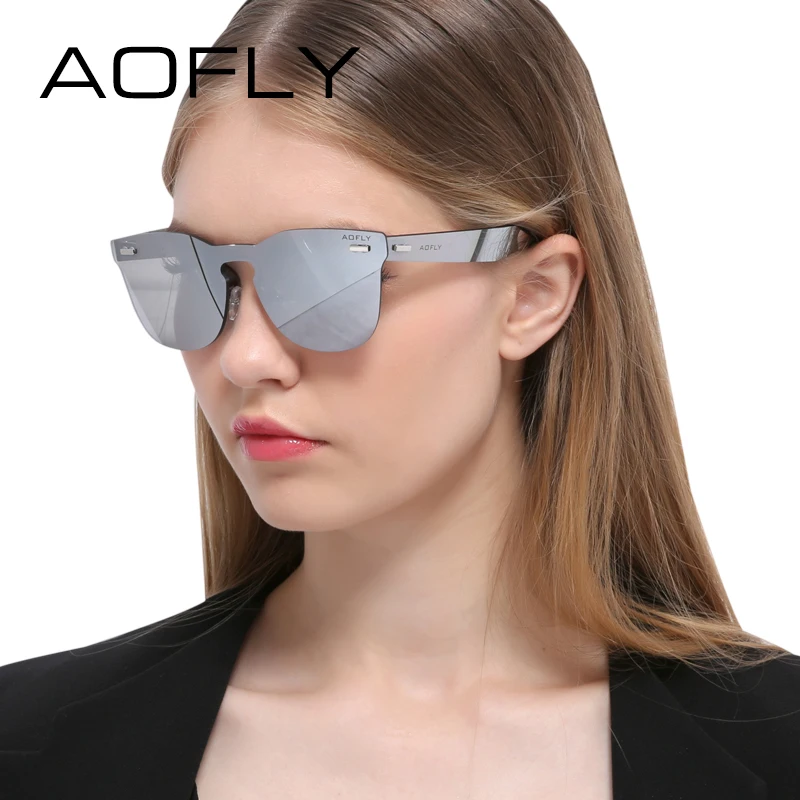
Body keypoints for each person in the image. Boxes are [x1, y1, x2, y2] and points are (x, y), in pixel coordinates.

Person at [2, 0, 799, 798]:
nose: (244, 357)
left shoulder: (778, 749)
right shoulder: (25, 745)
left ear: (533, 297)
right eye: (199, 273)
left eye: (326, 274)